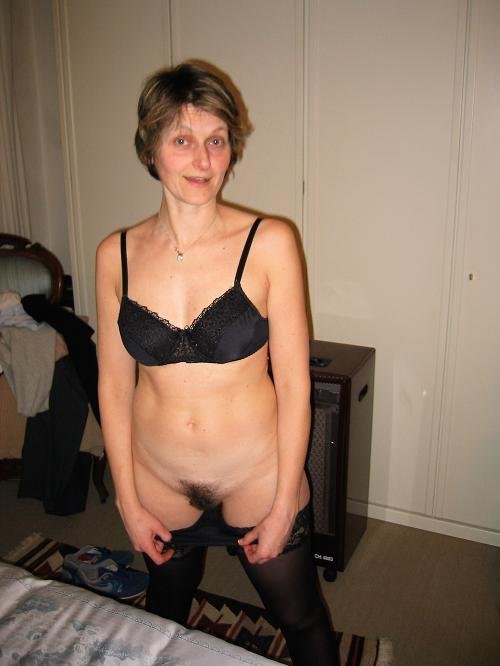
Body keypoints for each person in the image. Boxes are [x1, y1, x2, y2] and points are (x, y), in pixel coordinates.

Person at [96, 61, 339, 666]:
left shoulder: (270, 242)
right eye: (182, 140)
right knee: (165, 619)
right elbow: (114, 384)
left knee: (302, 618)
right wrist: (127, 499)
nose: (203, 160)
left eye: (217, 140)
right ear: (150, 148)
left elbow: (295, 384)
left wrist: (283, 504)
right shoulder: (114, 255)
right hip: (159, 483)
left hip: (255, 477)